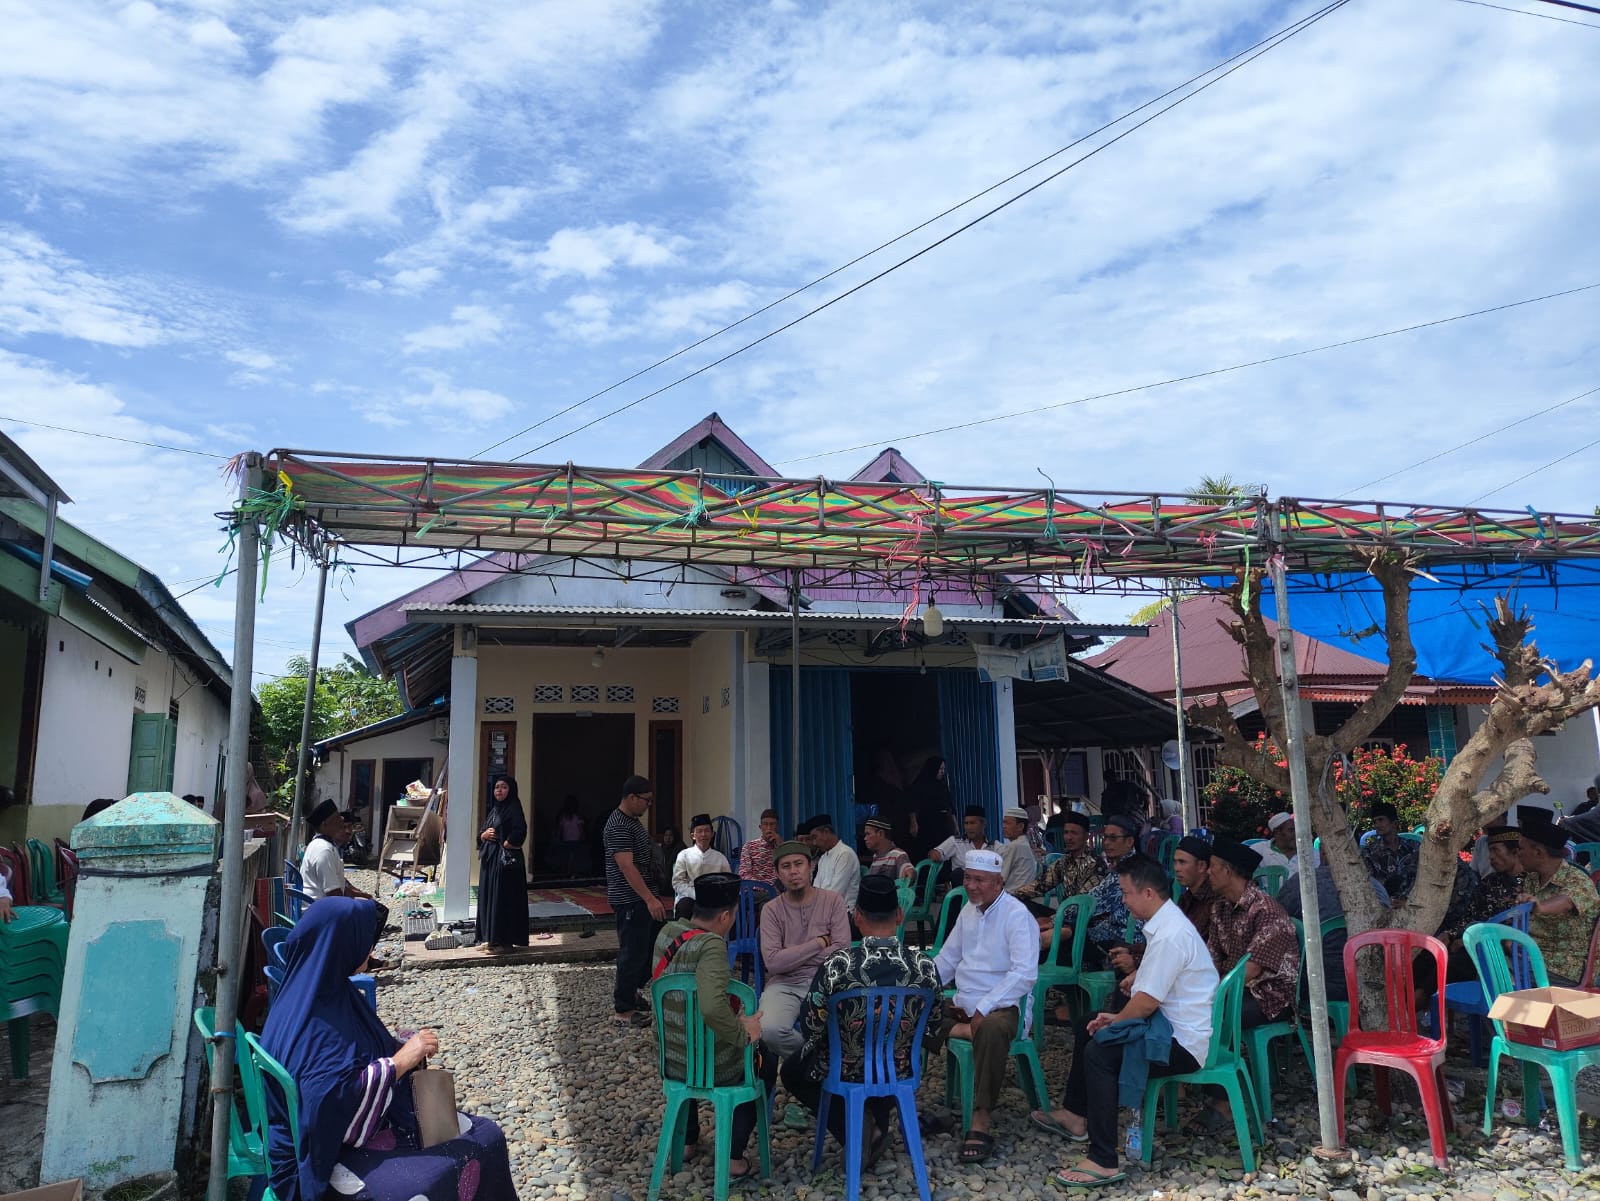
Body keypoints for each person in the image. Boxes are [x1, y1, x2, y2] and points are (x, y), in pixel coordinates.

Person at [259, 897, 518, 1201]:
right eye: (364, 941)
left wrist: (400, 1047)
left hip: (310, 1138)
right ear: (341, 945)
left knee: (482, 1134)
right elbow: (328, 1106)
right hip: (319, 1159)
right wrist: (400, 1061)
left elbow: (344, 1061)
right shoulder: (319, 1025)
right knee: (484, 1138)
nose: (370, 949)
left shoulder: (308, 993)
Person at [1033, 855, 1218, 1190]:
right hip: (1169, 1025)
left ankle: (1103, 1159)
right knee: (1087, 1023)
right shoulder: (1167, 924)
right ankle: (1076, 1115)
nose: (1122, 901)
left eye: (1126, 893)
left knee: (1100, 1052)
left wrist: (1117, 1020)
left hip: (1183, 1042)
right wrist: (1115, 1016)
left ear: (1148, 893)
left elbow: (1146, 1005)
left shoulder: (1171, 934)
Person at [782, 874, 944, 1166]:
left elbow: (810, 1027)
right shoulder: (925, 966)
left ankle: (859, 1132)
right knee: (884, 1057)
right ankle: (875, 1123)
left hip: (845, 1068)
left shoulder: (838, 965)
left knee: (794, 1070)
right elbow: (933, 1025)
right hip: (900, 1067)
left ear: (856, 918)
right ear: (899, 915)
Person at [652, 872, 774, 1183]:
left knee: (695, 1044)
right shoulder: (712, 946)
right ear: (724, 916)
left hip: (673, 1057)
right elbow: (711, 1007)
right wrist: (743, 1031)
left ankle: (688, 1141)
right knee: (766, 1059)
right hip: (712, 1065)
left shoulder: (668, 931)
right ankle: (732, 1158)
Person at [932, 848, 1039, 1163]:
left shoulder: (1017, 915)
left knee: (990, 1029)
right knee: (912, 1011)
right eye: (968, 878)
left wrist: (985, 1007)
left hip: (1004, 1005)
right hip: (966, 1003)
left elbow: (1024, 974)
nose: (972, 886)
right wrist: (919, 987)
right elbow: (947, 960)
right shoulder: (969, 910)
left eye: (980, 880)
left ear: (998, 882)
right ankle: (964, 1032)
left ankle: (980, 1118)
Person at [1202, 836, 1300, 1127]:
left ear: (1228, 871)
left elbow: (1251, 970)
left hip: (1270, 996)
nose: (1207, 872)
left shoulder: (1266, 910)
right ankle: (1203, 1079)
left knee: (1218, 1015)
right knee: (1195, 1008)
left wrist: (1212, 994)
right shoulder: (1220, 908)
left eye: (1212, 867)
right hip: (1233, 989)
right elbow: (1211, 958)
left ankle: (1223, 1102)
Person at [757, 841, 852, 1057]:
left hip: (829, 982)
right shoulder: (771, 910)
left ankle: (816, 1067)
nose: (793, 871)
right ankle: (816, 1060)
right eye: (786, 866)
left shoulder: (833, 901)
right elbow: (772, 962)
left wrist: (789, 956)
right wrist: (819, 943)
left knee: (853, 1025)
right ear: (778, 873)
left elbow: (842, 952)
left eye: (799, 864)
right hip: (785, 984)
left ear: (811, 867)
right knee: (769, 1030)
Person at [604, 775, 669, 1027]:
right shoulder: (619, 824)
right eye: (646, 800)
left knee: (651, 947)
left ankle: (632, 990)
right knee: (632, 952)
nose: (648, 805)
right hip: (631, 899)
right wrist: (649, 899)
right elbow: (626, 866)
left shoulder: (631, 822)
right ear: (631, 797)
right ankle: (624, 1009)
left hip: (642, 897)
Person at [1281, 861, 1390, 1002]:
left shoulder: (1299, 883)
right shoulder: (1374, 885)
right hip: (1373, 984)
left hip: (1313, 986)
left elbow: (1280, 924)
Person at [1516, 806, 1600, 985]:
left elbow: (1567, 901)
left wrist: (1541, 906)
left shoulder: (1578, 880)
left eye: (1521, 849)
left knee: (1500, 977)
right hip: (1532, 958)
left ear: (1538, 852)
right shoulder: (1531, 879)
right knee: (1483, 956)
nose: (1518, 854)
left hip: (1566, 968)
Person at [476, 776, 529, 953]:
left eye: (504, 787)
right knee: (489, 899)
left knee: (502, 901)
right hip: (491, 862)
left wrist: (506, 843)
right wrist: (484, 836)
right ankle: (490, 938)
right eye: (497, 787)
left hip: (505, 866)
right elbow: (482, 832)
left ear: (511, 790)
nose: (499, 790)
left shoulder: (513, 808)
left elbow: (520, 831)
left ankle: (504, 942)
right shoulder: (496, 810)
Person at [1013, 812, 1106, 911]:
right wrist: (1010, 896)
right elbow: (1040, 885)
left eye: (1074, 833)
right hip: (1064, 916)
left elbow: (1081, 904)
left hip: (1086, 921)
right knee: (1021, 905)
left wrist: (1053, 921)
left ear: (1086, 836)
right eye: (1066, 832)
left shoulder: (1096, 865)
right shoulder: (1064, 862)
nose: (1068, 837)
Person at [301, 800, 373, 902]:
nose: (342, 819)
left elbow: (340, 886)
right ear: (325, 825)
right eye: (337, 818)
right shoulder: (323, 850)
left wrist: (364, 896)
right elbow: (333, 893)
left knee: (371, 906)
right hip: (319, 909)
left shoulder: (325, 845)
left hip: (324, 905)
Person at [671, 813, 733, 919]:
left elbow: (728, 882)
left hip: (713, 897)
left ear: (712, 834)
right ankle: (684, 936)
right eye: (699, 831)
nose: (703, 834)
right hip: (690, 897)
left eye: (707, 831)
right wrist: (696, 894)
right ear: (693, 835)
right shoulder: (684, 855)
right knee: (684, 907)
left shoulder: (720, 858)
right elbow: (678, 882)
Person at [1361, 801, 1418, 904]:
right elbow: (1369, 885)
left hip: (1414, 904)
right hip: (1384, 907)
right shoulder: (1369, 853)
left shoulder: (1413, 847)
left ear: (1394, 823)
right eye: (1375, 822)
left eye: (1381, 820)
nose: (1377, 825)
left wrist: (1409, 901)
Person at [809, 816, 862, 912]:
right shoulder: (823, 858)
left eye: (815, 837)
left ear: (826, 832)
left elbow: (836, 893)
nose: (814, 843)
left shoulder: (845, 853)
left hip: (843, 913)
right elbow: (815, 889)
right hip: (823, 912)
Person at [905, 756, 954, 861]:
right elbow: (911, 804)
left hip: (943, 823)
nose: (942, 772)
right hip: (927, 824)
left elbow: (949, 805)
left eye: (943, 769)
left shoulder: (942, 784)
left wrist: (955, 824)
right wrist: (913, 823)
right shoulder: (921, 784)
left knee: (945, 850)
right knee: (929, 850)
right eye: (940, 769)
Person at [930, 805, 998, 875]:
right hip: (962, 883)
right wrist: (935, 854)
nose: (969, 827)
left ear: (983, 824)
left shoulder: (994, 846)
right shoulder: (955, 841)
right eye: (966, 823)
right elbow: (937, 853)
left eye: (972, 823)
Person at [999, 807, 1040, 892]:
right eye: (1003, 823)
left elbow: (1000, 879)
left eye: (1008, 823)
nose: (1004, 826)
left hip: (1013, 896)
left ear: (1020, 826)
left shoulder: (1015, 846)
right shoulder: (1024, 843)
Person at [738, 809, 781, 887]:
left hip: (778, 892)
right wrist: (766, 888)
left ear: (777, 827)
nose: (769, 828)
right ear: (760, 827)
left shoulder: (782, 846)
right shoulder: (749, 846)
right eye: (765, 824)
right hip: (755, 892)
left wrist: (780, 846)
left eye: (772, 824)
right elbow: (744, 874)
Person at [552, 796, 587, 877]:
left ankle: (567, 872)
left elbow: (560, 830)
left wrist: (557, 837)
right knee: (570, 857)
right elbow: (560, 829)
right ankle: (568, 872)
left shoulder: (568, 817)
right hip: (572, 839)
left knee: (569, 857)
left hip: (569, 839)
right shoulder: (574, 817)